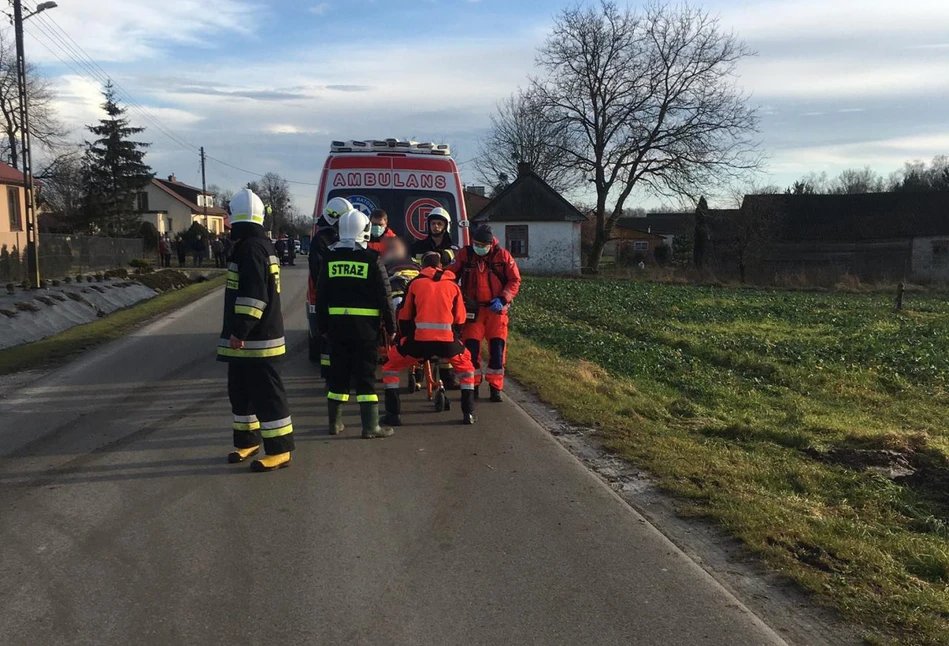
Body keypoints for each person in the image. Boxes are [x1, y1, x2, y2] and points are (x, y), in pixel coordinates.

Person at [216, 188, 294, 472]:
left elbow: (254, 296)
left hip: (257, 340)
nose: (225, 221)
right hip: (250, 341)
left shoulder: (250, 248)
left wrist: (240, 331)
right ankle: (248, 441)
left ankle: (280, 450)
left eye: (228, 214)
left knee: (268, 397)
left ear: (237, 217)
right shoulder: (256, 244)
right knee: (241, 393)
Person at [315, 208, 396, 439]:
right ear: (365, 230)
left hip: (336, 330)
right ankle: (371, 427)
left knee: (338, 376)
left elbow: (321, 297)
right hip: (366, 332)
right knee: (365, 378)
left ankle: (335, 423)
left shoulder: (329, 258)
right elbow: (385, 296)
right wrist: (391, 328)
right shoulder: (372, 259)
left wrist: (322, 327)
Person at [382, 252, 477, 425]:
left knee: (390, 367)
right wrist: (454, 336)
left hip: (419, 344)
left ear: (422, 267)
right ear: (440, 266)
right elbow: (460, 318)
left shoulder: (415, 283)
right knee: (467, 370)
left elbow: (403, 316)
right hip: (447, 344)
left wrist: (405, 338)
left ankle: (393, 414)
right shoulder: (453, 286)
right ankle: (468, 413)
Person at [448, 224, 521, 402]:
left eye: (482, 244)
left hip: (496, 312)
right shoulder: (466, 255)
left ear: (490, 244)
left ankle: (495, 388)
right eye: (476, 243)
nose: (478, 247)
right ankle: (473, 386)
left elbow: (514, 280)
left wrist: (503, 299)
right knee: (471, 351)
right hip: (473, 311)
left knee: (497, 351)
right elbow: (451, 273)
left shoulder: (502, 256)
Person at [309, 197, 350, 379]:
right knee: (328, 337)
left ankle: (337, 370)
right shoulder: (322, 240)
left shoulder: (336, 237)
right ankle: (329, 372)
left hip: (336, 294)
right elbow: (318, 270)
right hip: (329, 295)